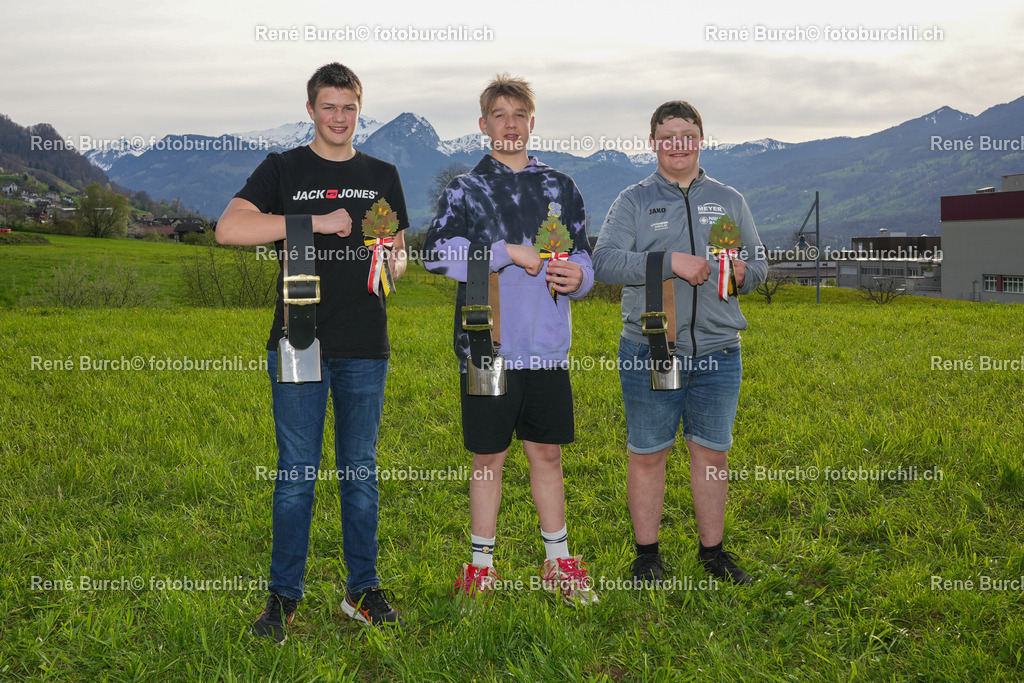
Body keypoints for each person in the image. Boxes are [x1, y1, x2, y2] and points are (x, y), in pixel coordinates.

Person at [217, 62, 409, 642]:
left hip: (365, 346)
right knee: (297, 475)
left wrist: (393, 262)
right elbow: (230, 229)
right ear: (310, 110)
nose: (339, 117)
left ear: (359, 110)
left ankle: (363, 590)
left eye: (349, 107)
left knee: (361, 471)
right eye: (329, 106)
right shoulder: (284, 168)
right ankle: (283, 598)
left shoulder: (383, 173)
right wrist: (312, 222)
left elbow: (397, 250)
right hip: (299, 341)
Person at [424, 73, 598, 607]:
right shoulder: (465, 189)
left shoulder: (561, 187)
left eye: (519, 115)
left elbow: (585, 257)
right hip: (486, 345)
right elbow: (436, 255)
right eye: (499, 115)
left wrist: (582, 279)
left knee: (546, 454)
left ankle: (558, 561)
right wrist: (505, 251)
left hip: (547, 350)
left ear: (531, 122)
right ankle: (481, 566)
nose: (510, 124)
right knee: (488, 458)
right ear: (484, 125)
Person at [592, 100, 767, 587]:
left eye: (687, 135)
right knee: (648, 453)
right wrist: (670, 261)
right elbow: (603, 262)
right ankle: (648, 556)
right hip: (651, 346)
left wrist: (741, 273)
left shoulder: (729, 199)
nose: (678, 145)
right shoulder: (633, 200)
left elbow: (760, 267)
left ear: (701, 139)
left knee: (711, 454)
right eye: (667, 136)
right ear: (653, 143)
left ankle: (713, 553)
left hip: (719, 350)